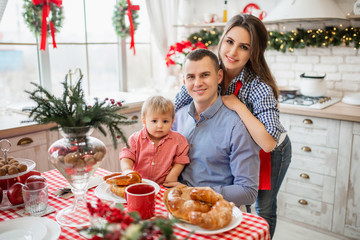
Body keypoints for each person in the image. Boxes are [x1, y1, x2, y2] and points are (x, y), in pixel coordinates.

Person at [174, 14, 292, 238]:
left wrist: (238, 106)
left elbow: (268, 143)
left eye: (244, 47)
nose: (233, 52)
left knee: (263, 207)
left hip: (273, 149)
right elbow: (176, 106)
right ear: (222, 41)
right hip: (240, 144)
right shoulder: (206, 70)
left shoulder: (259, 87)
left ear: (253, 52)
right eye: (229, 41)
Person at [172, 48, 260, 207]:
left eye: (205, 75)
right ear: (184, 82)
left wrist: (194, 193)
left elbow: (248, 191)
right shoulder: (176, 117)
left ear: (219, 76)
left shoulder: (237, 126)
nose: (197, 83)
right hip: (175, 202)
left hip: (214, 210)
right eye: (191, 77)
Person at [120, 95, 190, 186]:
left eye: (165, 121)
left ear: (172, 121)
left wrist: (173, 174)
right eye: (154, 121)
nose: (160, 126)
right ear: (144, 121)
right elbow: (127, 156)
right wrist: (127, 170)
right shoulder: (135, 139)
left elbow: (181, 160)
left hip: (163, 185)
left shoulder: (178, 140)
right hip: (139, 183)